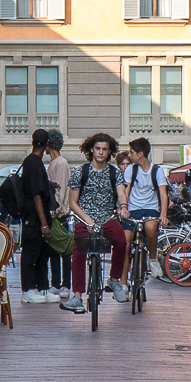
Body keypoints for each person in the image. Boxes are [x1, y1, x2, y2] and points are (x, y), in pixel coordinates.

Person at [63, 132, 129, 312]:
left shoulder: (115, 173)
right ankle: (77, 296)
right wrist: (87, 220)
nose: (100, 152)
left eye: (104, 149)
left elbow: (122, 193)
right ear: (91, 149)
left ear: (109, 152)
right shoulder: (80, 172)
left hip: (107, 217)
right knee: (79, 251)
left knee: (122, 241)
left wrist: (123, 206)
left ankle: (114, 279)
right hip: (84, 218)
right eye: (98, 148)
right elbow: (72, 203)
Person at [123, 138, 170, 279]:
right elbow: (126, 191)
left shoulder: (157, 171)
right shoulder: (130, 170)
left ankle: (153, 259)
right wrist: (123, 207)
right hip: (132, 209)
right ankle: (123, 282)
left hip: (151, 208)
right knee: (125, 242)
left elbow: (163, 195)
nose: (129, 156)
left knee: (150, 229)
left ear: (140, 154)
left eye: (131, 153)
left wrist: (163, 215)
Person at [18, 129, 56, 304]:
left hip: (36, 217)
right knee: (31, 253)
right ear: (47, 144)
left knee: (42, 253)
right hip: (34, 218)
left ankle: (42, 288)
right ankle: (28, 290)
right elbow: (36, 195)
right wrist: (44, 224)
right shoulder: (34, 163)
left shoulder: (32, 162)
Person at [45, 130, 73, 299]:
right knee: (54, 249)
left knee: (63, 249)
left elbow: (61, 190)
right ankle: (56, 283)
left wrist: (55, 212)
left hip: (59, 215)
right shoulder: (56, 163)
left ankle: (65, 284)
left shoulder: (60, 163)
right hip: (55, 213)